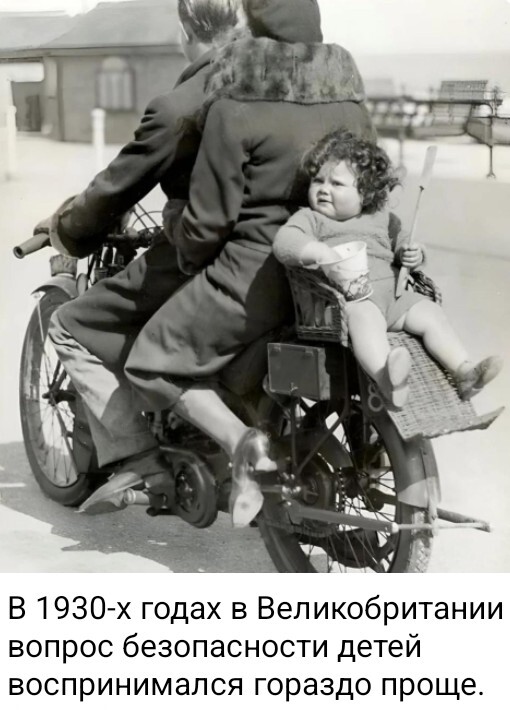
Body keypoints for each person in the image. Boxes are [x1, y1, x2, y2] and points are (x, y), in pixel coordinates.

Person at [113, 11, 377, 526]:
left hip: (255, 274)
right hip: (338, 271)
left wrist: (184, 249)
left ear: (251, 32)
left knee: (149, 361)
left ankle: (243, 445)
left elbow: (207, 224)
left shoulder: (234, 106)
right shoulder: (350, 105)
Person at [43, 0, 316, 493]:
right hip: (295, 245)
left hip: (209, 252)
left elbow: (118, 185)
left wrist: (69, 228)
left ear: (185, 28)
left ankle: (140, 459)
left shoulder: (181, 104)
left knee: (71, 325)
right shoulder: (282, 82)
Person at [272, 129, 503, 408]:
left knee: (429, 312)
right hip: (352, 301)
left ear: (365, 193)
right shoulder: (311, 219)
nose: (323, 189)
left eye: (336, 184)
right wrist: (317, 251)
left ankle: (462, 370)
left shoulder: (379, 216)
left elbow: (400, 238)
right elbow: (285, 242)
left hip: (393, 298)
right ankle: (387, 378)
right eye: (318, 181)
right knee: (364, 318)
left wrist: (412, 252)